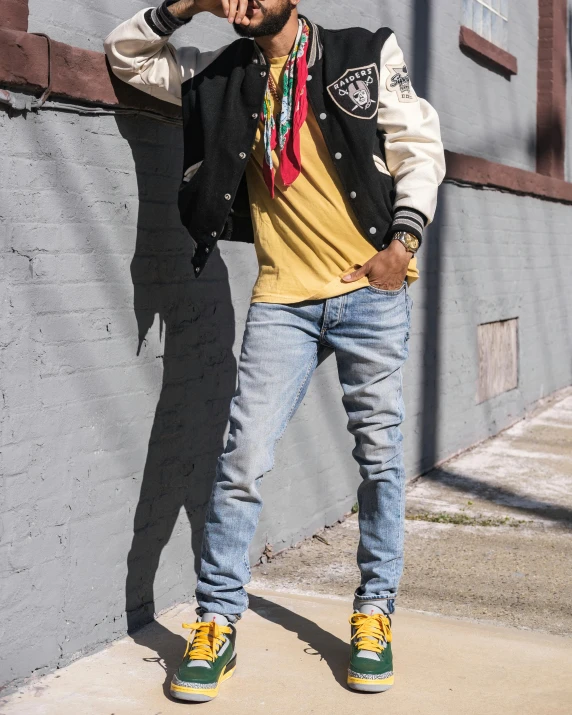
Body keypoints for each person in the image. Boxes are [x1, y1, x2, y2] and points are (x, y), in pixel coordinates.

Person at [105, 0, 445, 702]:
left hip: (369, 291)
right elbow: (126, 56)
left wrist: (402, 244)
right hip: (283, 299)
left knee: (379, 457)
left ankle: (374, 612)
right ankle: (217, 621)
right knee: (241, 459)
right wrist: (186, 5)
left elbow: (420, 147)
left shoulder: (363, 51)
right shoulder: (219, 75)